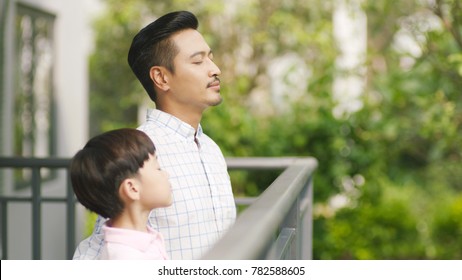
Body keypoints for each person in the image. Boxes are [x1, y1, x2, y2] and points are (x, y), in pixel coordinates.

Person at [73, 10, 236, 260]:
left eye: (211, 58)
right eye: (198, 61)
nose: (215, 69)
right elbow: (102, 248)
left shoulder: (210, 148)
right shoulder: (139, 152)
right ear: (161, 77)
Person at [70, 128, 172, 260]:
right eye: (158, 168)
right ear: (132, 188)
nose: (166, 174)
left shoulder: (140, 243)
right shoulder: (126, 257)